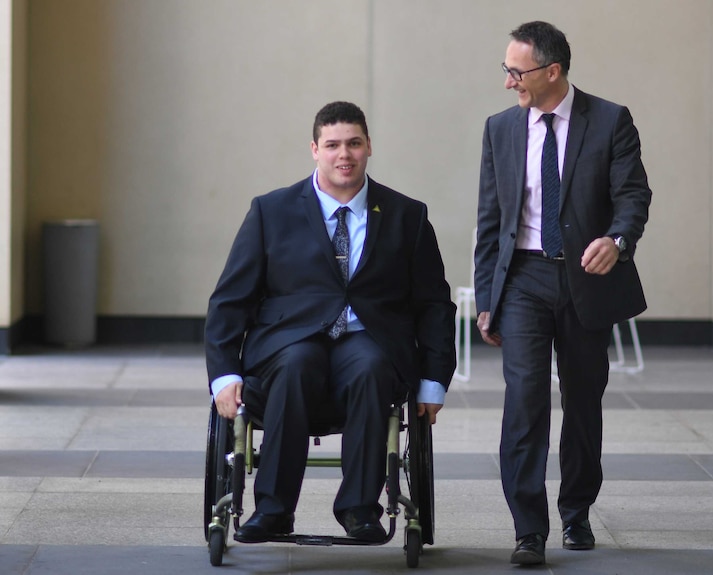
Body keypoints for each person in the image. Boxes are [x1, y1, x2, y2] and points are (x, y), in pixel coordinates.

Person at [205, 101, 456, 544]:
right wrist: (224, 375)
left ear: (369, 148)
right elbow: (230, 299)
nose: (345, 155)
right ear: (315, 149)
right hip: (290, 343)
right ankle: (273, 511)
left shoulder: (406, 215)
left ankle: (360, 509)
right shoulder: (271, 211)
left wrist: (433, 380)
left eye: (354, 144)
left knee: (371, 366)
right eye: (334, 144)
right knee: (297, 364)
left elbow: (434, 303)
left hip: (368, 340)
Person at [474, 22, 651, 565]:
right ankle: (529, 529)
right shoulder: (500, 129)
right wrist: (487, 299)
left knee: (582, 402)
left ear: (553, 72)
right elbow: (489, 219)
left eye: (516, 71)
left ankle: (575, 511)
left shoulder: (609, 120)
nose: (509, 83)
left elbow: (633, 194)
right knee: (524, 402)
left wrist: (617, 241)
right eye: (506, 70)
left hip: (585, 280)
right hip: (523, 280)